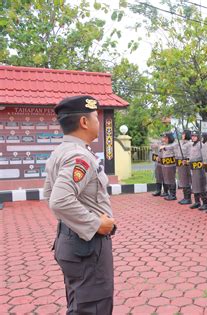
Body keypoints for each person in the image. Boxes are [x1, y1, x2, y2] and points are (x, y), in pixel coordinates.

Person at [43, 95, 115, 314]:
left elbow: (48, 194)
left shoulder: (60, 152)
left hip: (72, 242)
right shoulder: (79, 157)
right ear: (84, 122)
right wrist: (95, 224)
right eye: (95, 117)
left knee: (79, 304)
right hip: (87, 246)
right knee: (93, 307)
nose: (98, 122)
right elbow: (58, 200)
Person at [189, 131, 207, 210]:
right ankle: (197, 202)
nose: (193, 137)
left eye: (195, 136)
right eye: (192, 136)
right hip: (193, 167)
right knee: (195, 184)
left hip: (200, 167)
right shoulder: (192, 145)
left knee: (201, 184)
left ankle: (205, 203)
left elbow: (205, 156)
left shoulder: (201, 145)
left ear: (199, 137)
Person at [176, 130, 193, 205]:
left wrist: (187, 160)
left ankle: (188, 198)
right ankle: (185, 197)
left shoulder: (190, 144)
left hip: (186, 163)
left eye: (183, 134)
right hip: (180, 163)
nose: (182, 135)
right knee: (182, 179)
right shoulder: (180, 142)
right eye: (182, 134)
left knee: (186, 180)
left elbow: (191, 154)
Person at [160, 132, 178, 201]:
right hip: (166, 164)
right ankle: (170, 193)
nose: (165, 139)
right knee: (167, 178)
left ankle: (173, 195)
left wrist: (164, 147)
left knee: (171, 179)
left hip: (171, 164)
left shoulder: (174, 144)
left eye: (166, 138)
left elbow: (172, 147)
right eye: (164, 138)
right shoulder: (165, 144)